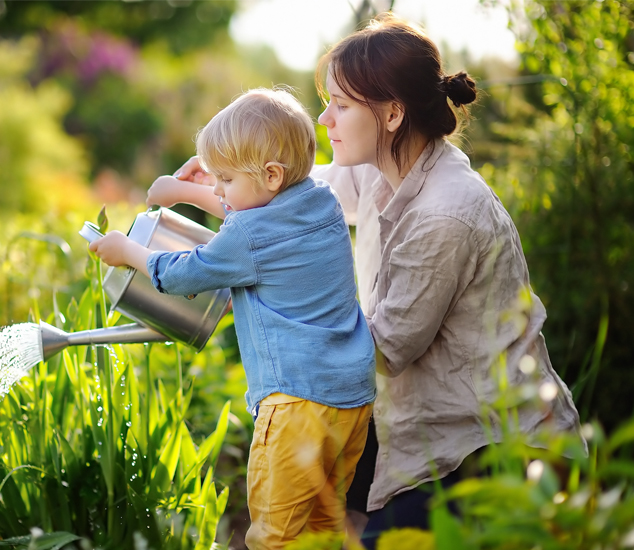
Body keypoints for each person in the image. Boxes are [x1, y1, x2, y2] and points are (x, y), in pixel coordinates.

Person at [154, 15, 585, 549]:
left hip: (489, 448)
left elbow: (386, 349)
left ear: (392, 114)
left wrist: (268, 288)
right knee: (310, 494)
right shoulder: (383, 166)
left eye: (341, 104)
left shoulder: (445, 212)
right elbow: (299, 197)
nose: (324, 117)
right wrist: (226, 178)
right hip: (416, 421)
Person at [89, 88, 376, 549]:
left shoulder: (246, 232)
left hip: (295, 404)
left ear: (271, 174)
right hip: (351, 401)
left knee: (274, 536)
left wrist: (128, 251)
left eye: (223, 179)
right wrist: (184, 190)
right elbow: (254, 207)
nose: (218, 189)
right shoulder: (320, 201)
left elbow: (186, 273)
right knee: (323, 528)